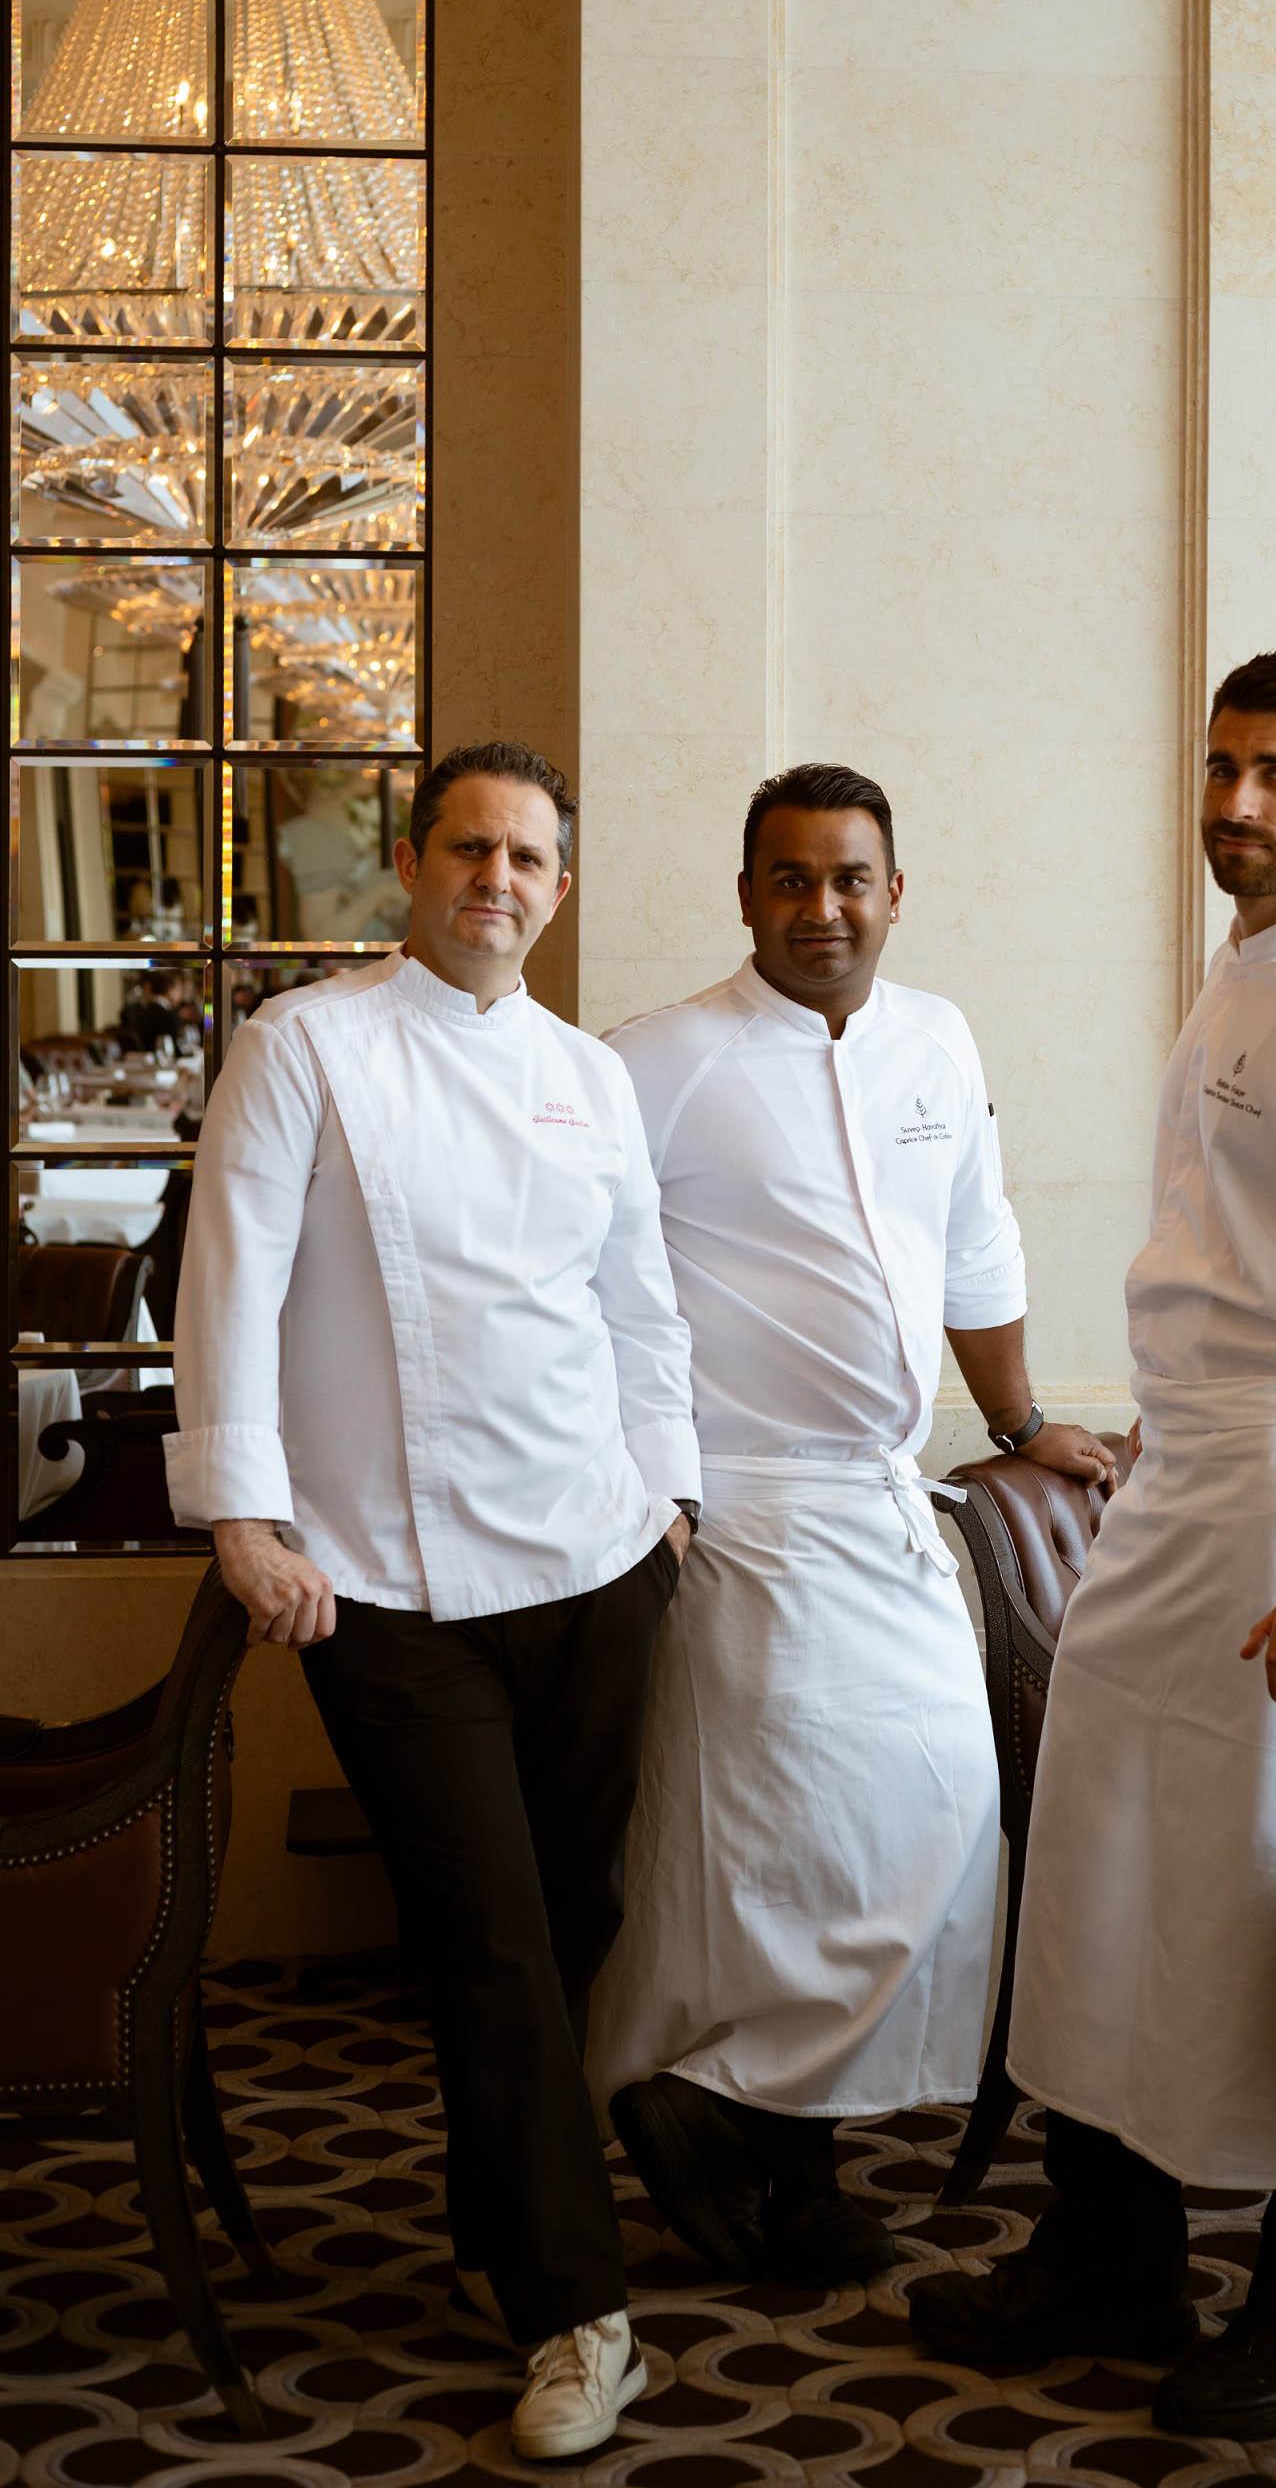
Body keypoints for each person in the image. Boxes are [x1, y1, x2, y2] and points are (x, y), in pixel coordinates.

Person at [910, 648, 1276, 2439]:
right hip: (1189, 1483)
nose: (1236, 801)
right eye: (1222, 765)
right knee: (1102, 1868)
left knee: (1275, 1899)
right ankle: (1109, 2250)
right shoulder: (1249, 960)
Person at [165, 739, 700, 2464]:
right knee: (490, 1939)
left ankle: (496, 2222)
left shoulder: (586, 1074)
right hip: (383, 1583)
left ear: (559, 884)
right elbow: (229, 1287)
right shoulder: (304, 1044)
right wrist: (244, 1519)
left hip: (597, 1557)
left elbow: (640, 1307)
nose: (498, 879)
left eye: (529, 857)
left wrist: (671, 1499)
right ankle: (578, 2313)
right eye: (470, 847)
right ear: (412, 861)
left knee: (569, 1921)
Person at [586, 761, 1116, 2284]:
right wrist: (642, 1482)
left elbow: (978, 1249)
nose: (822, 907)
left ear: (895, 892)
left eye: (850, 878)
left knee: (939, 1820)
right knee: (778, 1856)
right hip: (737, 1505)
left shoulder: (938, 1039)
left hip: (886, 1497)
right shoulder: (655, 1060)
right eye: (791, 878)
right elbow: (582, 1279)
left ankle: (730, 2119)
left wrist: (1019, 1424)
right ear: (746, 893)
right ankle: (763, 2153)